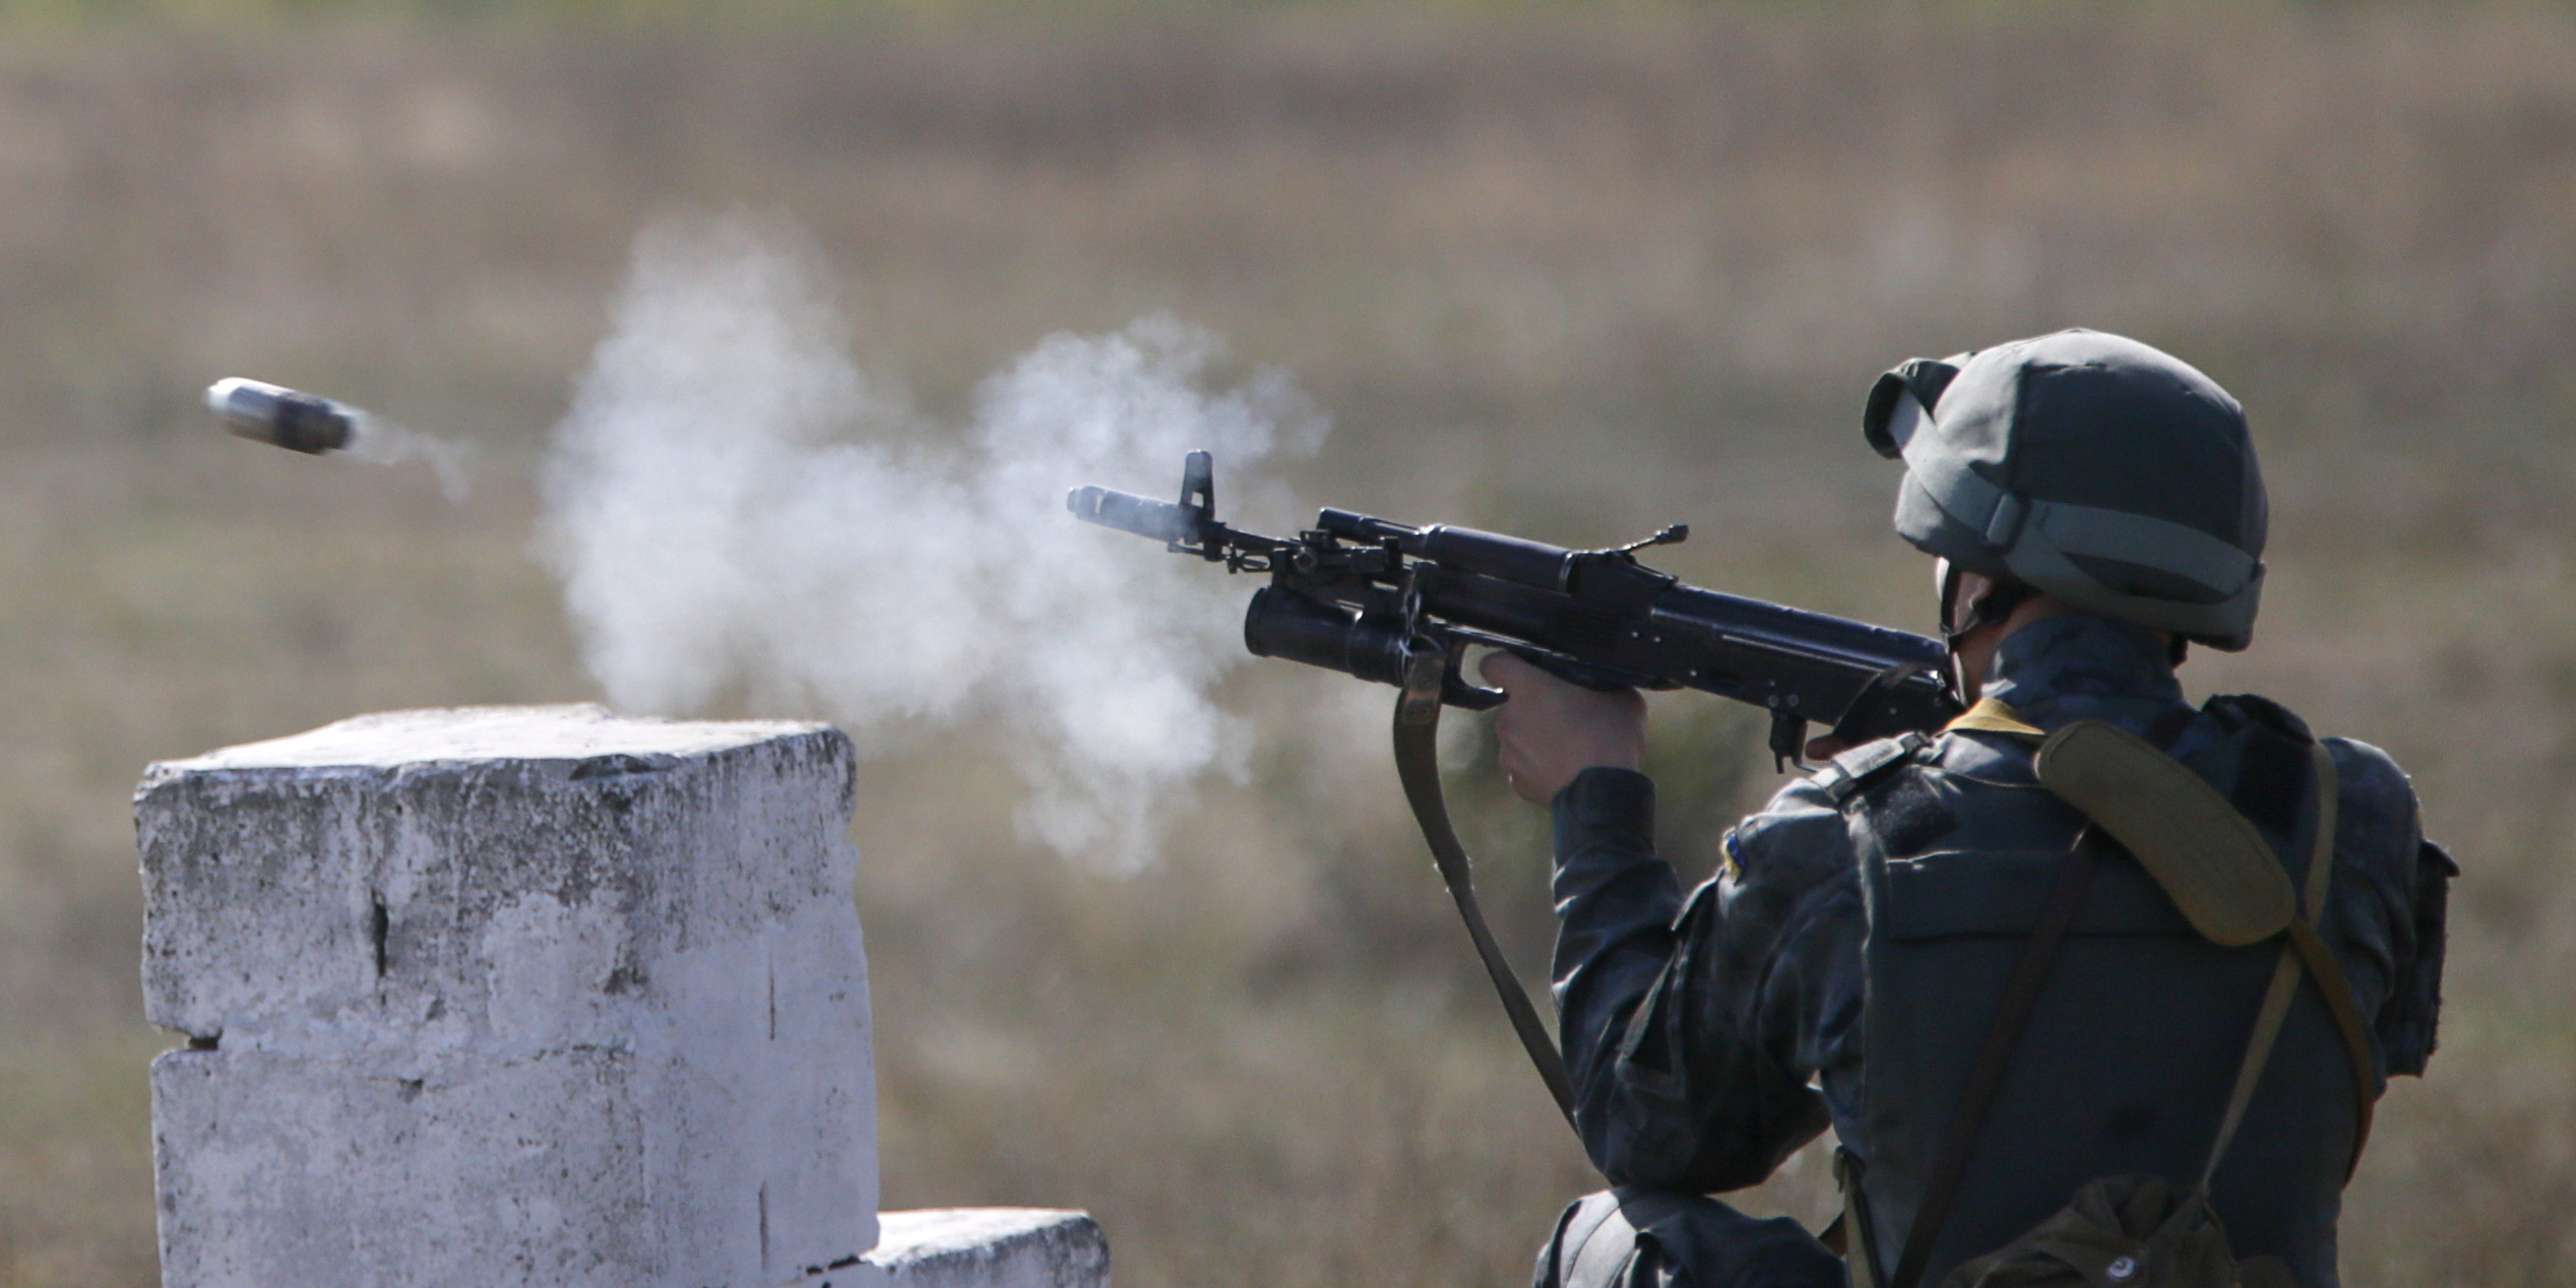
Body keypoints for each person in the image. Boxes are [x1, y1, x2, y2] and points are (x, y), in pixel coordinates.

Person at [1479, 329, 2454, 1288]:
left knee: (1608, 1245)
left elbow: (1646, 1128)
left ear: (1976, 572)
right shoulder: (2352, 819)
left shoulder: (1844, 836)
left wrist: (1592, 792)